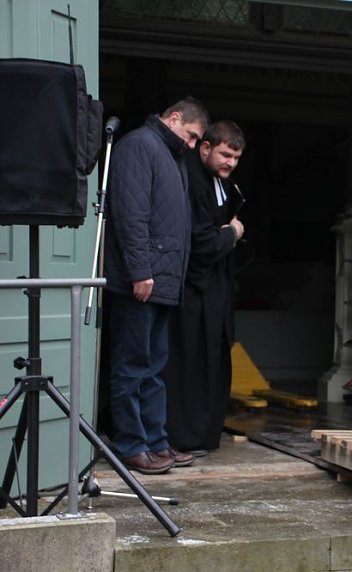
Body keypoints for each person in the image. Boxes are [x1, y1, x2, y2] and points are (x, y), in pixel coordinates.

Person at [104, 98, 209, 474]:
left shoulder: (170, 154)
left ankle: (156, 442)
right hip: (143, 280)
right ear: (174, 118)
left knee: (153, 367)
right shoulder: (138, 145)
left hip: (162, 281)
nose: (194, 146)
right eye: (192, 136)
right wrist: (139, 272)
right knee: (132, 366)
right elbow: (130, 216)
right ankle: (131, 445)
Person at [163, 120, 246, 455]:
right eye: (226, 155)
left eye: (237, 158)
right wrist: (232, 234)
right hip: (194, 294)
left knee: (212, 362)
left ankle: (204, 435)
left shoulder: (218, 181)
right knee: (189, 365)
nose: (231, 163)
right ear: (205, 147)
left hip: (215, 292)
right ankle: (185, 437)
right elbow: (198, 242)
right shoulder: (192, 179)